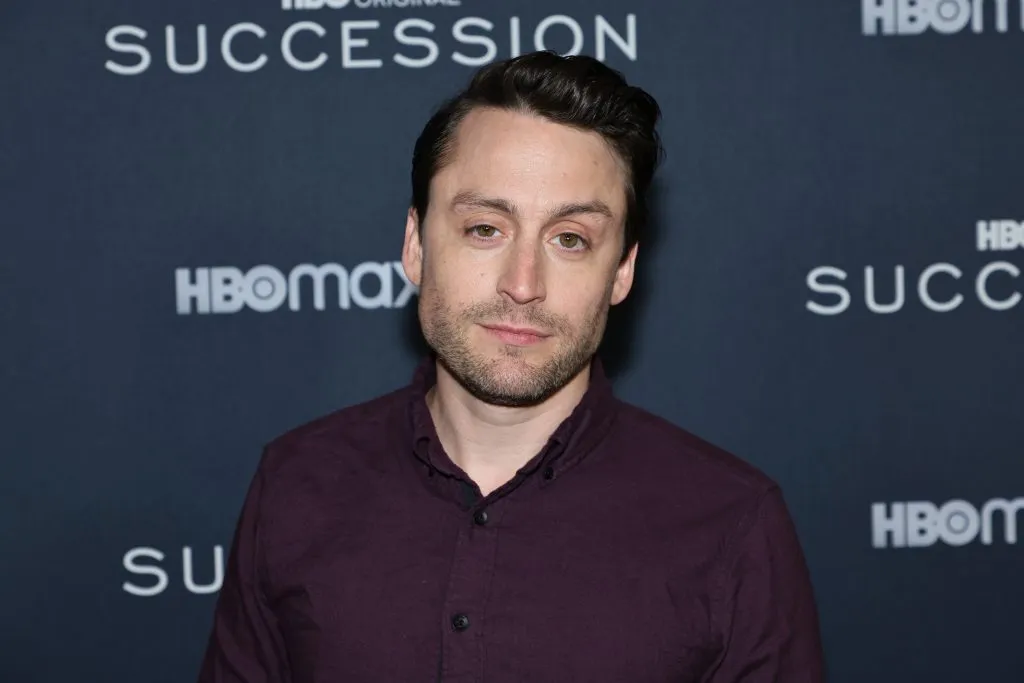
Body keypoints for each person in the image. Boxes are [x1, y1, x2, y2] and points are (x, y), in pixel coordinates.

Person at [196, 50, 825, 682]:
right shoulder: (297, 482)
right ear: (415, 245)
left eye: (570, 239)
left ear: (623, 271)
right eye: (485, 229)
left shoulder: (732, 523)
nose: (523, 285)